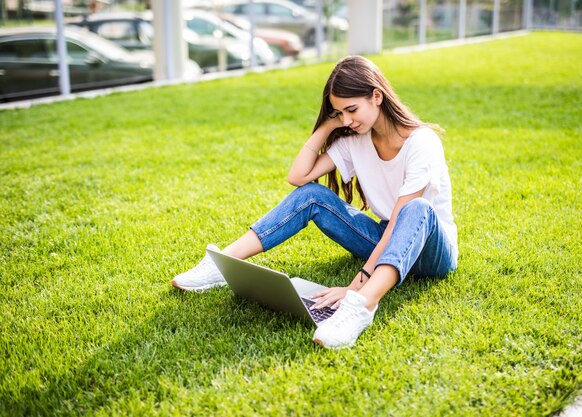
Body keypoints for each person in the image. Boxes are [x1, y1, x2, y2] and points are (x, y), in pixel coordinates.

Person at [172, 55, 458, 349]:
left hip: (431, 249)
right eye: (339, 113)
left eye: (352, 109)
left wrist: (354, 286)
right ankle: (222, 264)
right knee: (313, 194)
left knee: (416, 208)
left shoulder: (422, 142)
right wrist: (327, 126)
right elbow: (298, 177)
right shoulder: (353, 139)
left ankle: (361, 306)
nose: (346, 120)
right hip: (386, 239)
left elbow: (401, 221)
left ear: (377, 96)